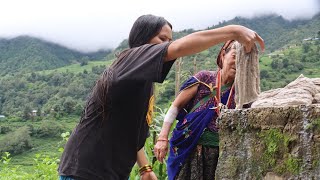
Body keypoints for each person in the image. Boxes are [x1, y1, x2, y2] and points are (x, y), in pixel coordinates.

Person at [58, 14, 264, 180]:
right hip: (84, 170)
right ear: (142, 39)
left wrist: (145, 169)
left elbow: (134, 134)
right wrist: (233, 31)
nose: (167, 45)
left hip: (111, 172)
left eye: (169, 40)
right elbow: (180, 49)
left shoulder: (142, 83)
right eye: (161, 39)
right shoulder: (129, 59)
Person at [154, 40, 242, 180]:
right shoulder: (204, 78)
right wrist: (163, 138)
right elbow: (175, 107)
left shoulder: (242, 92)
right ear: (223, 55)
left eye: (244, 59)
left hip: (219, 156)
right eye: (235, 56)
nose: (238, 62)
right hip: (189, 150)